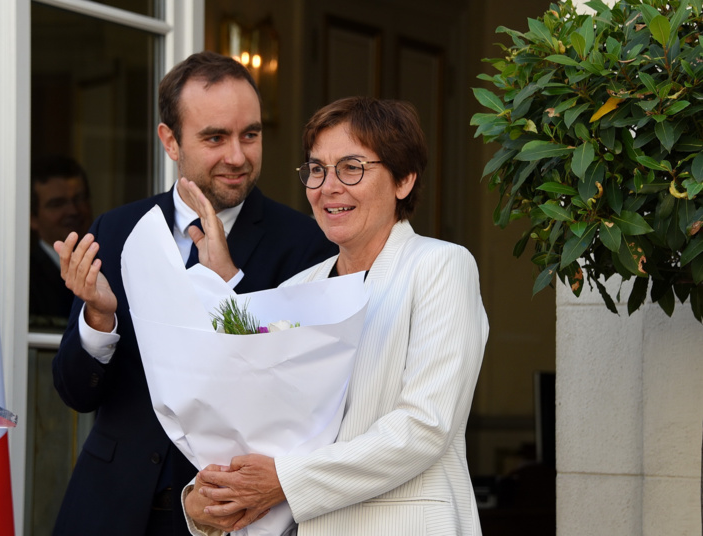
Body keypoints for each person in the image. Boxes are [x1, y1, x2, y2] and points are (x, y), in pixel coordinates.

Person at [50, 51, 337, 536]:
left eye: (251, 134)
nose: (238, 156)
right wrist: (99, 320)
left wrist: (229, 288)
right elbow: (75, 393)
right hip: (106, 506)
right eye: (215, 137)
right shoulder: (116, 230)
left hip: (224, 518)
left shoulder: (307, 245)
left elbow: (296, 406)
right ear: (170, 140)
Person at [182, 96, 489, 535]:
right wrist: (204, 498)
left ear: (404, 179)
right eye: (317, 169)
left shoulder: (441, 266)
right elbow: (259, 425)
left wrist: (285, 480)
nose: (328, 187)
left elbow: (424, 427)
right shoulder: (295, 291)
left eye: (351, 168)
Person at [29, 154, 93, 325]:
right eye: (58, 204)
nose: (73, 211)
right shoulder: (25, 279)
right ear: (32, 218)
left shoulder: (108, 264)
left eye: (79, 199)